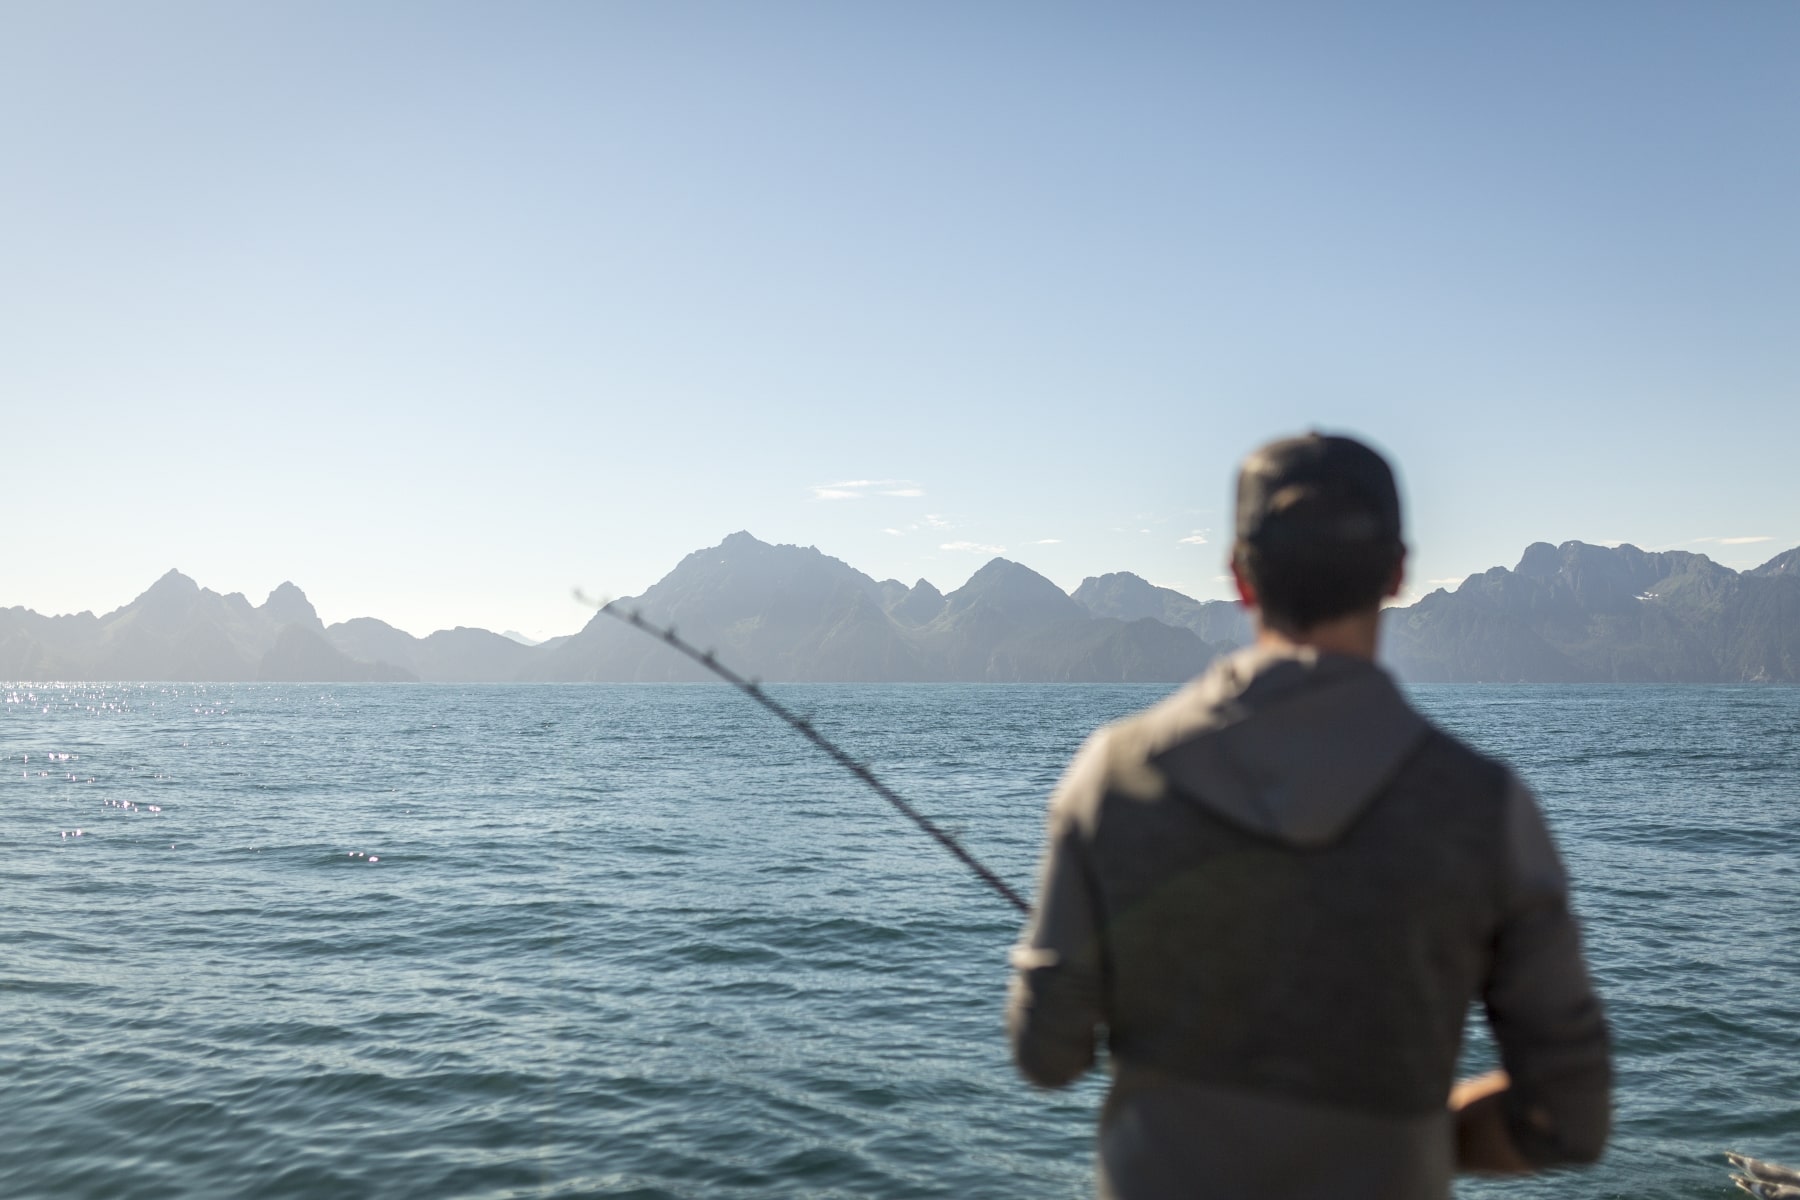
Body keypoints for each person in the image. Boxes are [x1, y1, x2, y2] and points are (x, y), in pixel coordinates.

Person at [1006, 432, 1611, 1199]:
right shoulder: (1484, 806)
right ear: (1397, 571)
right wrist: (1413, 1137)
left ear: (1238, 574)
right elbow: (1571, 1116)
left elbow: (1046, 1056)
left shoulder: (1113, 776)